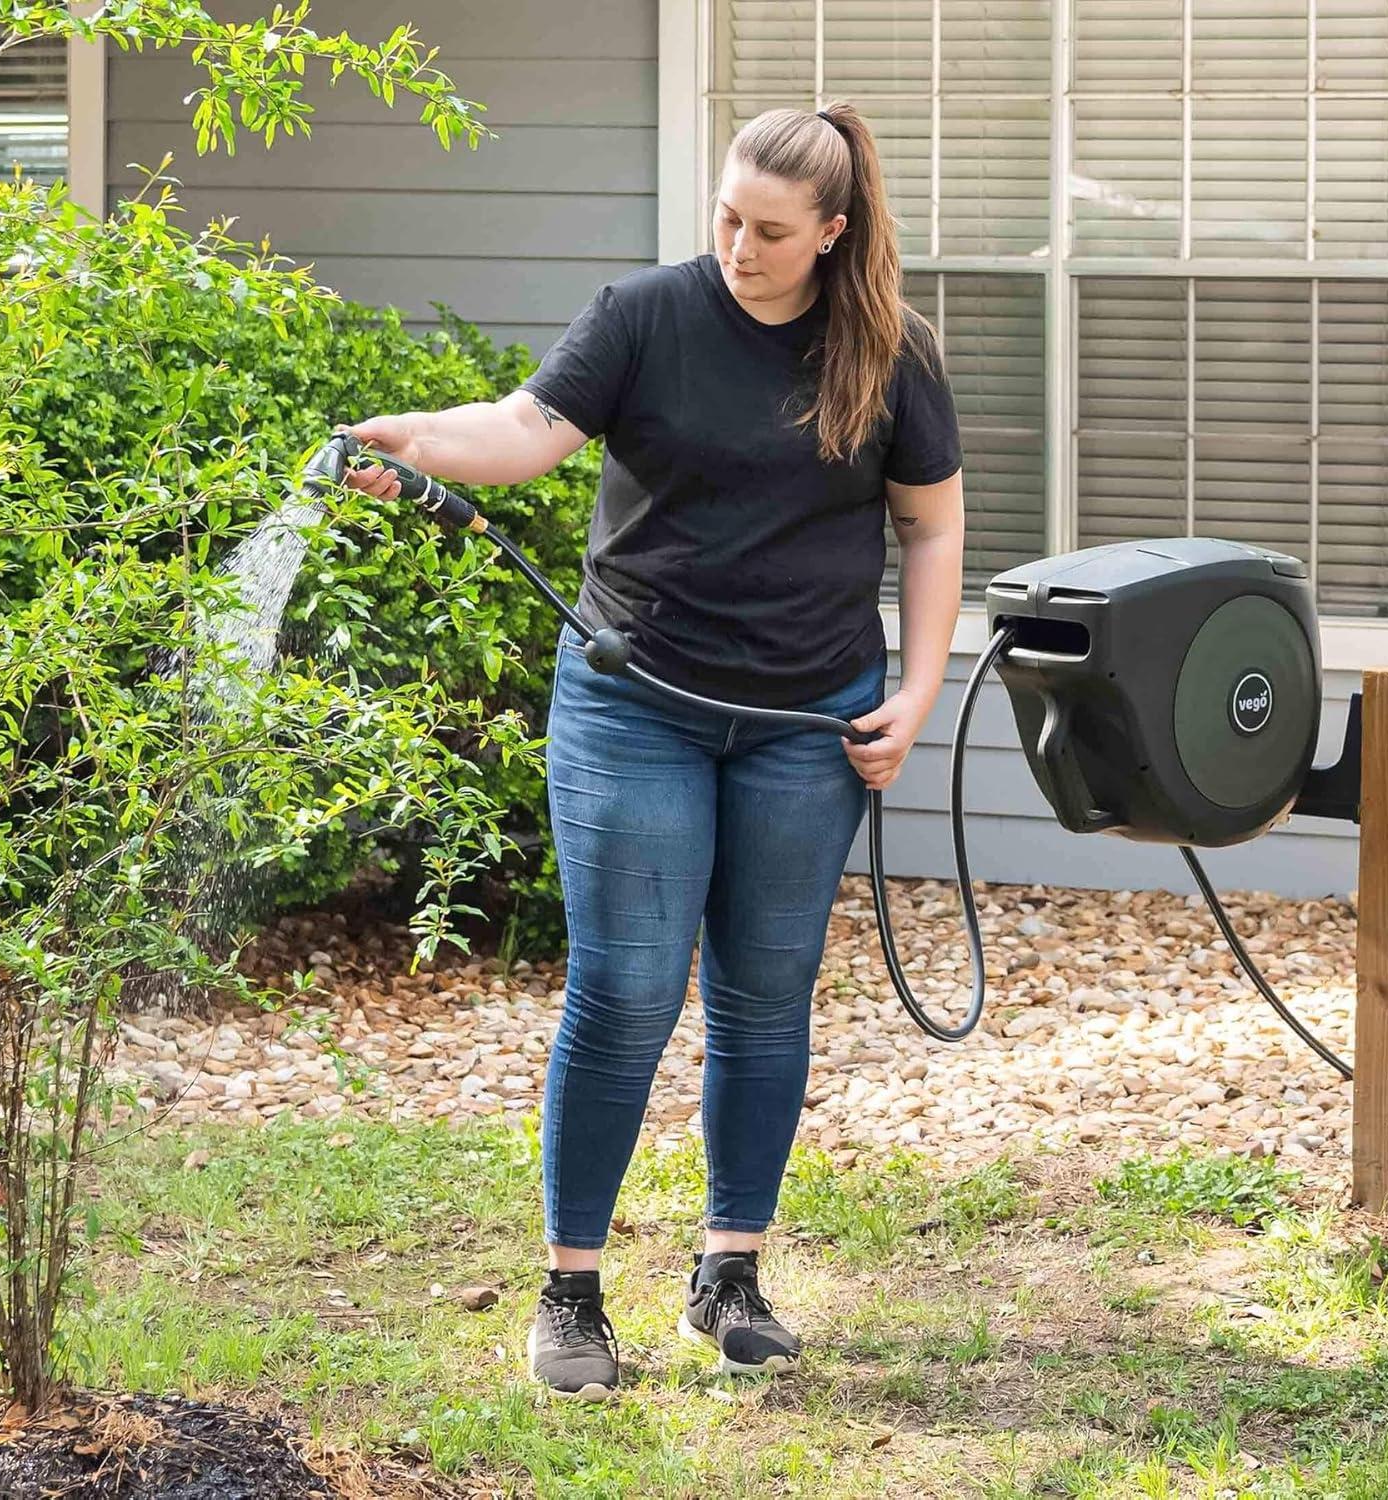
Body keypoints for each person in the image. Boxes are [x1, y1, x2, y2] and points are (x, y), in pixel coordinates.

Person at [341, 102, 965, 1400]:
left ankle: (729, 1274)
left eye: (771, 231)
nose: (738, 245)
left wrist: (913, 697)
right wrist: (414, 434)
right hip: (639, 703)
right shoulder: (648, 316)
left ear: (833, 235)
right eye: (728, 217)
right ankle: (570, 1294)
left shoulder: (890, 352)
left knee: (763, 993)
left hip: (808, 721)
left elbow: (932, 529)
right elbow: (524, 432)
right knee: (627, 989)